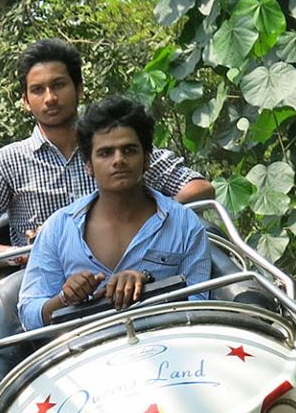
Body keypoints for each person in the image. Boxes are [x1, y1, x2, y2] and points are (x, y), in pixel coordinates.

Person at [0, 38, 215, 264]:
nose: (50, 98)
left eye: (58, 85)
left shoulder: (114, 146)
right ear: (25, 100)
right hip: (49, 284)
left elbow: (199, 188)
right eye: (37, 90)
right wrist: (26, 254)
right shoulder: (4, 163)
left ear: (79, 88)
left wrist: (148, 225)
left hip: (135, 267)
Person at [17, 96, 212, 330]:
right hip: (82, 357)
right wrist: (66, 298)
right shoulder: (59, 227)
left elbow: (200, 305)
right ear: (88, 165)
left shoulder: (184, 224)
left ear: (146, 159)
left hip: (168, 353)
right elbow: (29, 315)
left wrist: (147, 281)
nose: (119, 160)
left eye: (129, 150)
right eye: (105, 153)